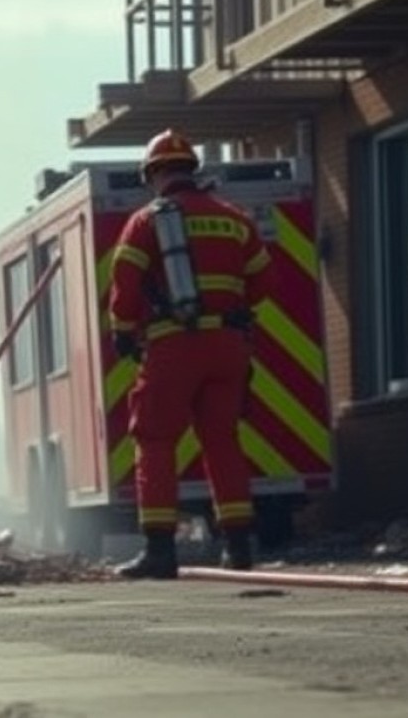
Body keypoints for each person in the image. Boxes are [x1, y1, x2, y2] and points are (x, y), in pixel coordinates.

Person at [108, 129, 276, 579]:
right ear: (191, 170)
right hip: (228, 349)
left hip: (173, 346)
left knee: (155, 439)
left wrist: (123, 331)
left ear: (155, 173)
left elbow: (125, 285)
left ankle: (160, 551)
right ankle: (238, 547)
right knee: (222, 441)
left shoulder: (147, 221)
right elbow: (263, 281)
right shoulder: (234, 217)